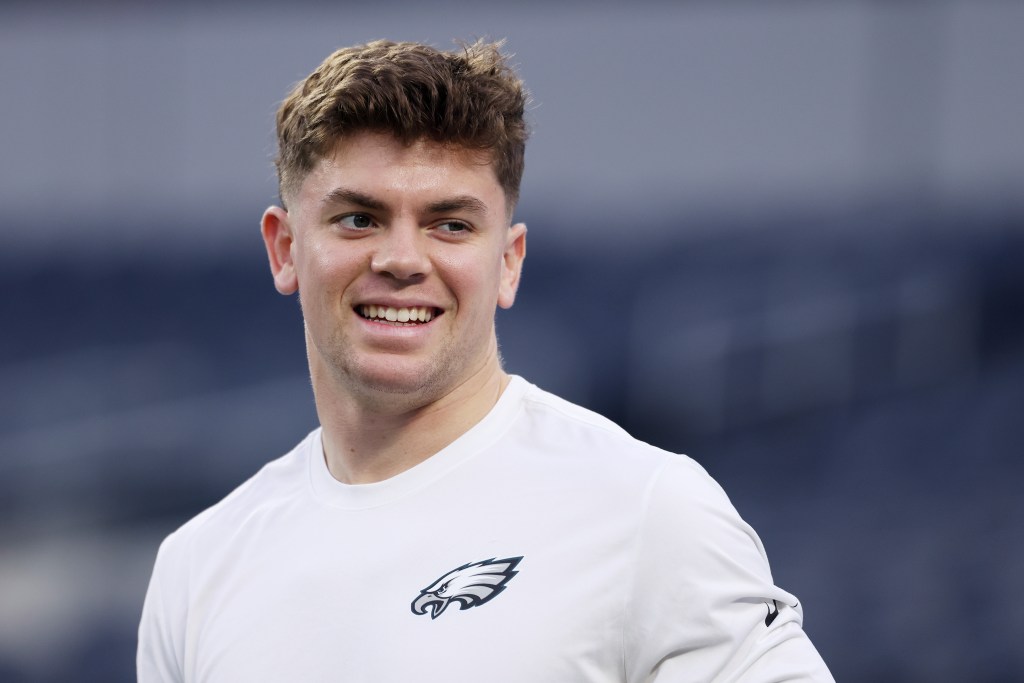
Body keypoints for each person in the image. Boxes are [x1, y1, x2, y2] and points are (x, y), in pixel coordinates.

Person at [137, 39, 834, 682]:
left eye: (450, 224)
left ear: (508, 263)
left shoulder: (650, 512)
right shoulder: (197, 570)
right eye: (358, 218)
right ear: (285, 247)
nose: (402, 260)